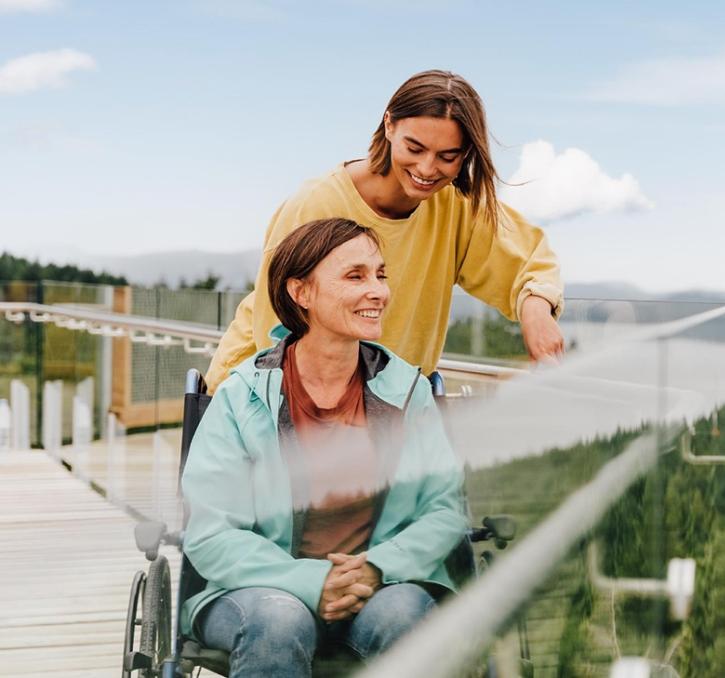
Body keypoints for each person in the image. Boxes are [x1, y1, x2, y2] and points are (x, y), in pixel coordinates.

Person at [180, 218, 468, 676]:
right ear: (302, 293)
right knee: (278, 620)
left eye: (380, 275)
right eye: (355, 276)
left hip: (380, 585)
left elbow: (445, 512)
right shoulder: (241, 396)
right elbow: (211, 530)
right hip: (262, 591)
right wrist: (313, 581)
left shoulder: (408, 393)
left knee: (406, 618)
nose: (378, 291)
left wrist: (375, 567)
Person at [205, 69, 564, 394]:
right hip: (265, 396)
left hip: (384, 411)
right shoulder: (315, 205)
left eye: (448, 156)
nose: (427, 168)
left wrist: (535, 311)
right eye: (415, 147)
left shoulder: (456, 209)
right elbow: (274, 328)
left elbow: (528, 259)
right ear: (389, 125)